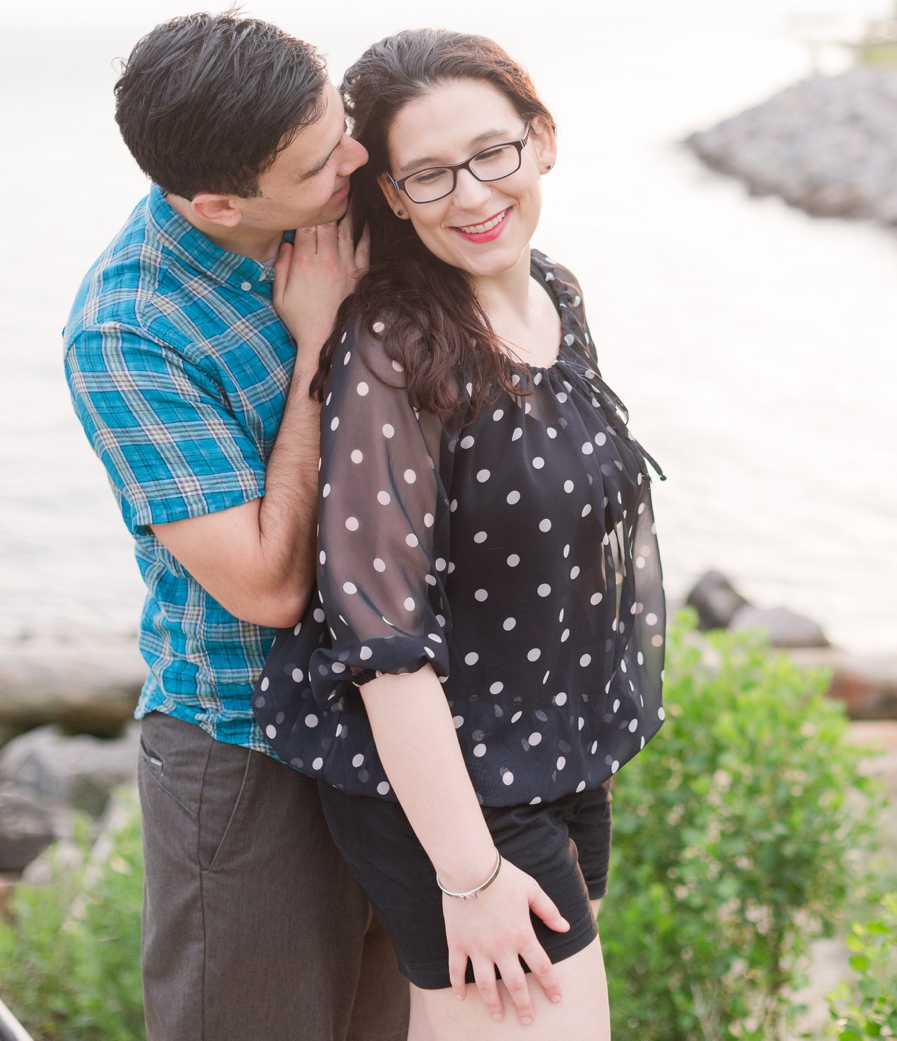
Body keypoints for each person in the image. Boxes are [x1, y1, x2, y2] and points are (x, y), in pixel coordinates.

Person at [251, 29, 666, 1040]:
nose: (474, 196)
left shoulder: (556, 293)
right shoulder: (394, 347)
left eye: (494, 154)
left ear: (543, 140)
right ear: (390, 194)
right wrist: (471, 874)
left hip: (557, 756)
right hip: (456, 788)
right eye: (429, 174)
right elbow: (382, 647)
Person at [63, 13, 407, 1040]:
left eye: (340, 123)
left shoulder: (342, 190)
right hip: (246, 741)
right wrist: (315, 353)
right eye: (317, 163)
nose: (355, 157)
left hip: (398, 713)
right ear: (217, 204)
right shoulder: (129, 329)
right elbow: (264, 585)